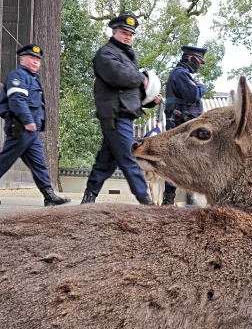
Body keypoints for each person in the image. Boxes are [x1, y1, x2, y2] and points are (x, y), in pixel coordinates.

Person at [81, 14, 163, 205]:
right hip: (115, 114)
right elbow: (118, 76)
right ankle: (145, 200)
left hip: (123, 114)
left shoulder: (127, 58)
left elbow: (132, 92)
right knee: (130, 156)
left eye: (130, 34)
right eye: (124, 33)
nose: (128, 37)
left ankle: (89, 196)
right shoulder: (106, 54)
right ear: (114, 32)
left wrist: (151, 99)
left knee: (106, 160)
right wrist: (143, 78)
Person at [0, 44, 70, 207]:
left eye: (37, 59)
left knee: (38, 162)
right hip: (20, 127)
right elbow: (17, 100)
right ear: (22, 59)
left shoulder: (33, 78)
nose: (35, 62)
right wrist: (28, 120)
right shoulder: (18, 76)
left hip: (30, 131)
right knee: (6, 159)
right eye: (32, 58)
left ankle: (49, 195)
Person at [161, 45, 208, 206]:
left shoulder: (183, 75)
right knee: (177, 162)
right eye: (198, 61)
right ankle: (170, 200)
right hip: (179, 125)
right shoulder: (180, 74)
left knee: (187, 162)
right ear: (190, 58)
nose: (199, 65)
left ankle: (185, 199)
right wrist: (201, 87)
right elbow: (192, 94)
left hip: (184, 126)